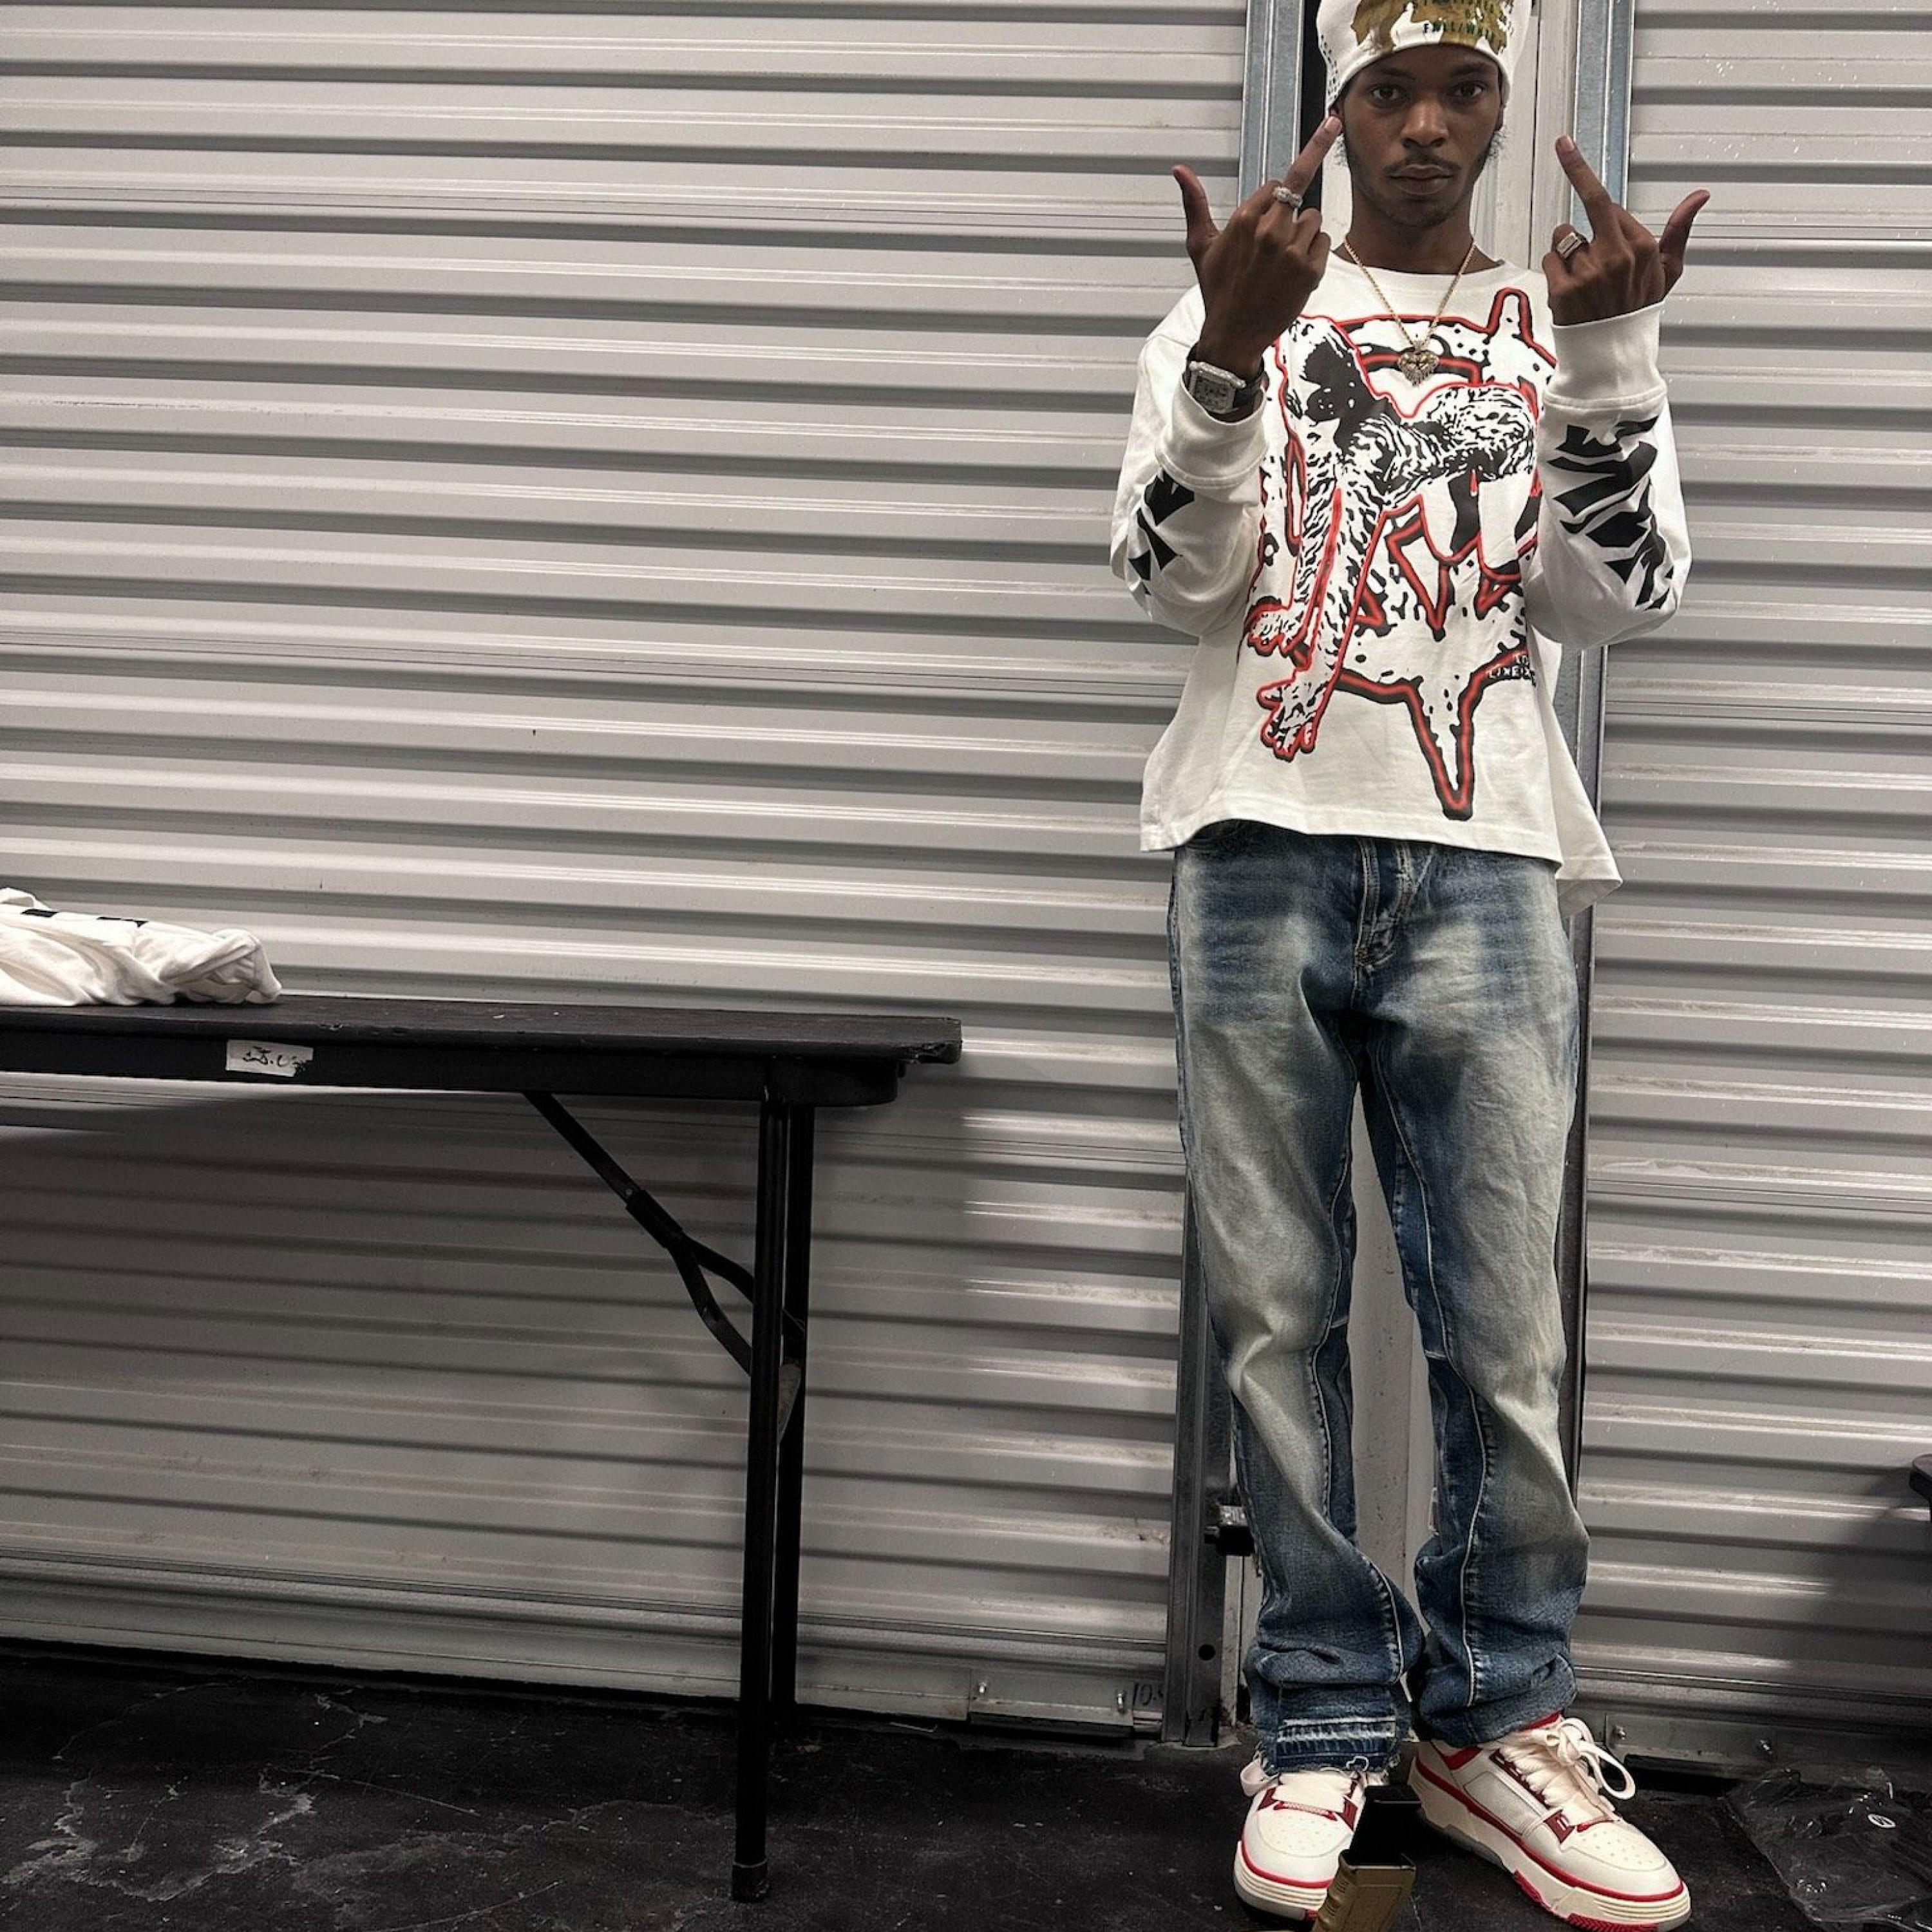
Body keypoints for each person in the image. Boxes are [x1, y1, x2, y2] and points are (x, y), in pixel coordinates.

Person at [1110, 1, 1707, 1925]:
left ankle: (1499, 1717)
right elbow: (1170, 584)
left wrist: (1612, 363)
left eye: (1465, 91)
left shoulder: (1556, 324)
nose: (1429, 126)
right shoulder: (1236, 304)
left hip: (1486, 858)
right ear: (1340, 107)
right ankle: (1319, 1711)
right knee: (1274, 1316)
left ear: (1503, 111)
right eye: (1392, 91)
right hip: (1255, 849)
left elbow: (1621, 603)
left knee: (1507, 1325)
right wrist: (1225, 357)